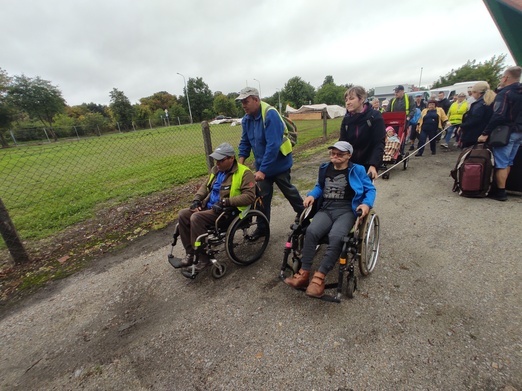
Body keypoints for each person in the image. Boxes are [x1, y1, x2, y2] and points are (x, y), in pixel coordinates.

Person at [284, 141, 376, 298]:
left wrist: (366, 204)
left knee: (336, 236)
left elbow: (370, 189)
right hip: (326, 209)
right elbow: (320, 186)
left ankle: (319, 278)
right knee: (311, 231)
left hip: (347, 210)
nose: (335, 156)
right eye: (333, 153)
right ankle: (304, 273)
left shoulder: (357, 170)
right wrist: (312, 194)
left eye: (340, 154)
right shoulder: (324, 168)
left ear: (349, 155)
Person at [174, 142, 256, 271]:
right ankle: (190, 254)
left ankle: (203, 259)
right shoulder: (216, 170)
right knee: (183, 214)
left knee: (196, 218)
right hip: (211, 207)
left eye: (220, 160)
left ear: (231, 158)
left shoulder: (244, 173)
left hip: (228, 212)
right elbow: (205, 187)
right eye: (216, 160)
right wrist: (197, 200)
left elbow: (250, 197)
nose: (217, 163)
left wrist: (226, 202)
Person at [237, 87, 304, 236]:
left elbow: (273, 145)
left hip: (279, 164)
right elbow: (245, 142)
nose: (243, 105)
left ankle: (305, 215)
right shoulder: (247, 119)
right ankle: (262, 228)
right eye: (241, 102)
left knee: (289, 192)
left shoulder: (270, 114)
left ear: (256, 99)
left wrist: (263, 170)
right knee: (262, 197)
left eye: (246, 101)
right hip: (262, 165)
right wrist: (240, 164)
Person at [478, 66, 522, 201]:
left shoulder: (505, 93)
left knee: (501, 162)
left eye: (502, 76)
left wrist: (485, 133)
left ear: (506, 77)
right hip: (519, 131)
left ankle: (500, 191)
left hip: (505, 132)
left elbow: (499, 114)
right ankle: (502, 188)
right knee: (509, 162)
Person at [339, 86, 385, 179]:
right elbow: (342, 142)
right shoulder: (346, 120)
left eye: (352, 98)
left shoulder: (374, 117)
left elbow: (379, 143)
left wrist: (374, 165)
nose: (348, 102)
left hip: (368, 163)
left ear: (362, 99)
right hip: (350, 164)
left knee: (365, 191)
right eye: (346, 100)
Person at [458, 81, 495, 149]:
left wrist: (462, 126)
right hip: (487, 133)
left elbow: (474, 119)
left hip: (474, 135)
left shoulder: (479, 105)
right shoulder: (491, 102)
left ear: (477, 92)